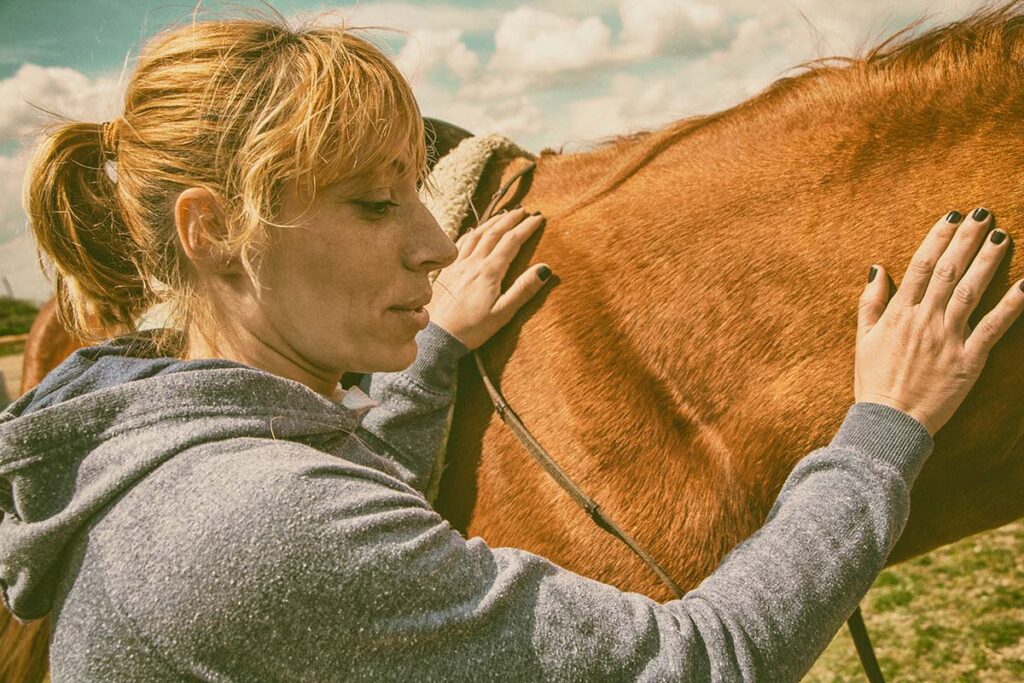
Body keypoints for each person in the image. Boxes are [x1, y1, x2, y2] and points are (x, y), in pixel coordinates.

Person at [1, 13, 1021, 683]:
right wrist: (883, 425)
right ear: (210, 227)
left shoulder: (167, 440)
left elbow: (345, 492)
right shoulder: (244, 531)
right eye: (372, 202)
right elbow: (694, 660)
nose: (436, 242)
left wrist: (438, 349)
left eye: (415, 185)